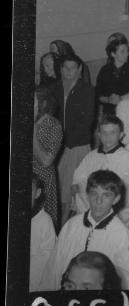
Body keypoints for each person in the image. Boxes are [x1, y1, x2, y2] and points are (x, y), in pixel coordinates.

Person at [40, 170, 129, 290]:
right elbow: (53, 269)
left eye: (106, 195)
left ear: (116, 199)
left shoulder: (122, 236)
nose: (98, 201)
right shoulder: (71, 226)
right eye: (94, 193)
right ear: (87, 195)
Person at [71, 115, 129, 225]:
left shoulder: (126, 158)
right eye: (104, 133)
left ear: (121, 135)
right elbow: (79, 177)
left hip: (114, 211)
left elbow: (128, 188)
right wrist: (77, 186)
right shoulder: (91, 156)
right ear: (99, 134)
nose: (108, 136)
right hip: (90, 206)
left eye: (112, 132)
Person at [55, 54, 95, 227]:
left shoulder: (87, 90)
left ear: (79, 70)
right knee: (60, 188)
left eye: (73, 68)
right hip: (58, 147)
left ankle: (67, 225)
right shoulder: (54, 88)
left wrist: (64, 142)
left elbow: (86, 123)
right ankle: (60, 224)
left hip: (76, 145)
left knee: (73, 191)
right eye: (65, 67)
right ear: (61, 69)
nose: (69, 71)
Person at [33, 85, 63, 226]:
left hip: (42, 180)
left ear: (44, 103)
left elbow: (46, 161)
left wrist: (32, 133)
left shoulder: (53, 125)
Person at [30, 175, 57, 291]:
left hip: (36, 282)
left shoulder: (44, 221)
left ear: (37, 193)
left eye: (29, 190)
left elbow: (46, 257)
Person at [96, 37, 129, 116]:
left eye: (127, 51)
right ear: (113, 54)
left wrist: (120, 98)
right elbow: (98, 93)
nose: (126, 54)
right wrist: (108, 99)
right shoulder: (105, 70)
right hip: (109, 111)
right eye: (122, 52)